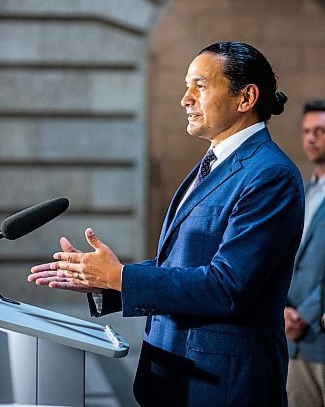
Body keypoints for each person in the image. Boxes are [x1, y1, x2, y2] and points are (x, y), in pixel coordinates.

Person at [28, 42, 304, 407]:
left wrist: (120, 277)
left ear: (246, 97)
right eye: (186, 86)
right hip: (177, 377)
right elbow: (184, 266)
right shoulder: (214, 162)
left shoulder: (270, 174)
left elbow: (227, 287)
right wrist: (104, 283)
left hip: (223, 387)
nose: (185, 99)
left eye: (200, 86)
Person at [285, 100, 325, 407]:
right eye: (306, 131)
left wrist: (306, 315)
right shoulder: (306, 190)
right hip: (294, 342)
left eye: (320, 131)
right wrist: (283, 308)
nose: (311, 138)